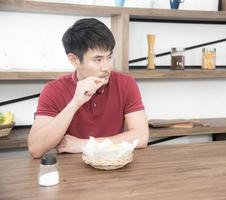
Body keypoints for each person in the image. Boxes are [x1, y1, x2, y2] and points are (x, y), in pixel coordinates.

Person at [28, 18, 149, 158]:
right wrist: (75, 103)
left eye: (109, 57)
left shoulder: (126, 83)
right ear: (74, 60)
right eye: (98, 60)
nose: (107, 67)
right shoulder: (53, 90)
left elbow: (141, 136)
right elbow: (35, 149)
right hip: (72, 171)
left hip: (114, 165)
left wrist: (85, 144)